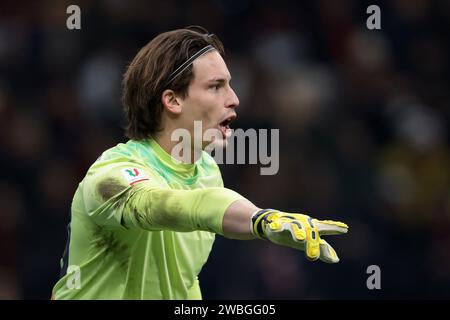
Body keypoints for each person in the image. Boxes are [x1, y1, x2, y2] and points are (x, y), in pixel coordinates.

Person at [52, 26, 349, 300]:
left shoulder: (207, 172)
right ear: (173, 100)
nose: (234, 98)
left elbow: (181, 283)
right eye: (216, 86)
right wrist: (261, 219)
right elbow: (166, 206)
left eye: (229, 85)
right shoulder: (110, 175)